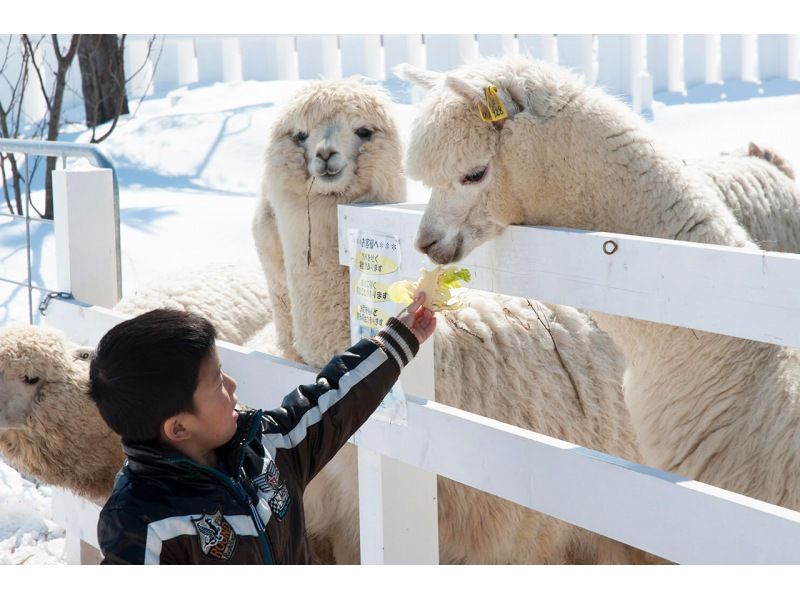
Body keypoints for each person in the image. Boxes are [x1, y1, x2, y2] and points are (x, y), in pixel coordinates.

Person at [88, 293, 435, 565]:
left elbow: (332, 401)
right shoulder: (141, 523)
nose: (232, 384)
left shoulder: (267, 446)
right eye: (216, 383)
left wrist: (395, 342)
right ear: (178, 427)